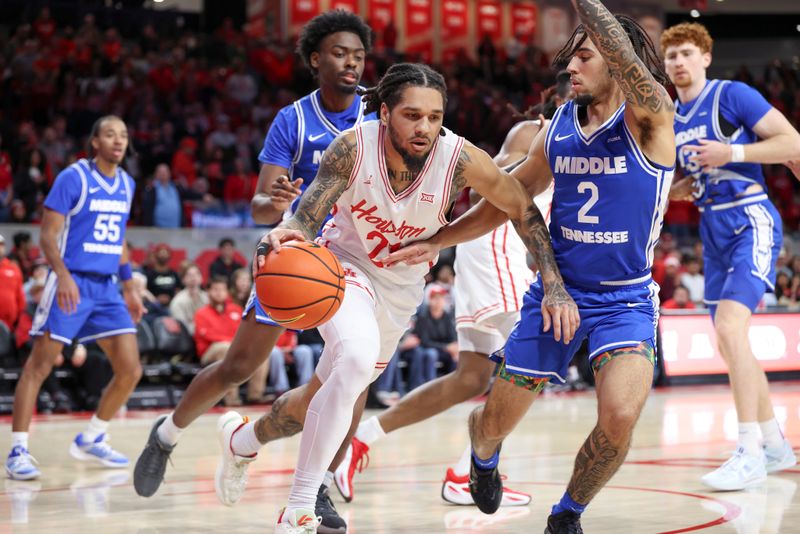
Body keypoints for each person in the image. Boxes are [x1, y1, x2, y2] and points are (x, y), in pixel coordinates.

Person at [212, 62, 576, 533]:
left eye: (434, 116)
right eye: (411, 115)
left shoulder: (460, 158)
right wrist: (284, 234)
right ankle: (300, 506)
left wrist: (553, 282)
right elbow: (306, 218)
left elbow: (521, 206)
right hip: (343, 269)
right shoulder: (352, 147)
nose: (424, 127)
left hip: (401, 288)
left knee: (324, 394)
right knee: (357, 360)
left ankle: (242, 441)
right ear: (384, 112)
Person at [388, 4, 676, 532]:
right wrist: (441, 240)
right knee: (493, 421)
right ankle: (482, 452)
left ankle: (568, 513)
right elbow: (512, 197)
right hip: (556, 292)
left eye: (583, 56)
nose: (569, 68)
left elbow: (623, 51)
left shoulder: (650, 115)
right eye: (568, 59)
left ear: (616, 60)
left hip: (626, 299)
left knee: (619, 418)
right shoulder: (559, 125)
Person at [133, 11, 375, 533]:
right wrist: (277, 200)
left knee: (355, 374)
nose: (351, 61)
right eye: (339, 52)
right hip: (298, 255)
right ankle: (168, 434)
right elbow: (261, 206)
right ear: (315, 59)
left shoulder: (375, 116)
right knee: (237, 366)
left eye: (358, 54)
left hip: (354, 258)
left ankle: (322, 490)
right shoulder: (294, 119)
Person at [334, 96, 561, 508]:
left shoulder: (588, 137)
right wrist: (540, 146)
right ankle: (466, 472)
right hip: (497, 246)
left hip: (495, 252)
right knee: (533, 362)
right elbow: (493, 184)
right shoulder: (533, 132)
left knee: (472, 378)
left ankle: (360, 440)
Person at [662, 22, 799, 490]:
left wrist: (732, 151)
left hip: (749, 218)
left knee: (729, 328)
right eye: (670, 56)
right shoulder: (674, 119)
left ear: (704, 57)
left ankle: (748, 451)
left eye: (685, 53)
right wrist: (671, 192)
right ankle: (775, 445)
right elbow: (696, 177)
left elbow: (792, 143)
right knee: (730, 342)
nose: (677, 62)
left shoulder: (730, 95)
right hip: (711, 225)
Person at [6, 115, 144, 480]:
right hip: (71, 282)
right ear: (95, 142)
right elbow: (47, 236)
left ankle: (93, 436)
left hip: (107, 288)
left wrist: (129, 286)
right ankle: (18, 449)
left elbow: (119, 241)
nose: (118, 141)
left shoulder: (127, 183)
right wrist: (63, 276)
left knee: (130, 369)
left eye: (124, 135)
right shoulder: (74, 177)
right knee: (39, 366)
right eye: (110, 134)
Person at [193, 276, 266, 406]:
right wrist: (234, 343)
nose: (219, 292)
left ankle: (255, 395)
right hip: (210, 352)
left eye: (222, 289)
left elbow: (246, 332)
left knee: (261, 352)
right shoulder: (201, 313)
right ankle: (232, 399)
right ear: (208, 292)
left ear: (227, 292)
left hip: (235, 347)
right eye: (215, 289)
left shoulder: (236, 310)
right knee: (225, 348)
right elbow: (208, 335)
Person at [168, 263, 208, 335]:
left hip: (208, 335)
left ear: (201, 278)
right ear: (183, 279)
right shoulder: (177, 301)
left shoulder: (207, 297)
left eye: (197, 274)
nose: (193, 277)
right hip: (188, 338)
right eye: (189, 275)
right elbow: (182, 328)